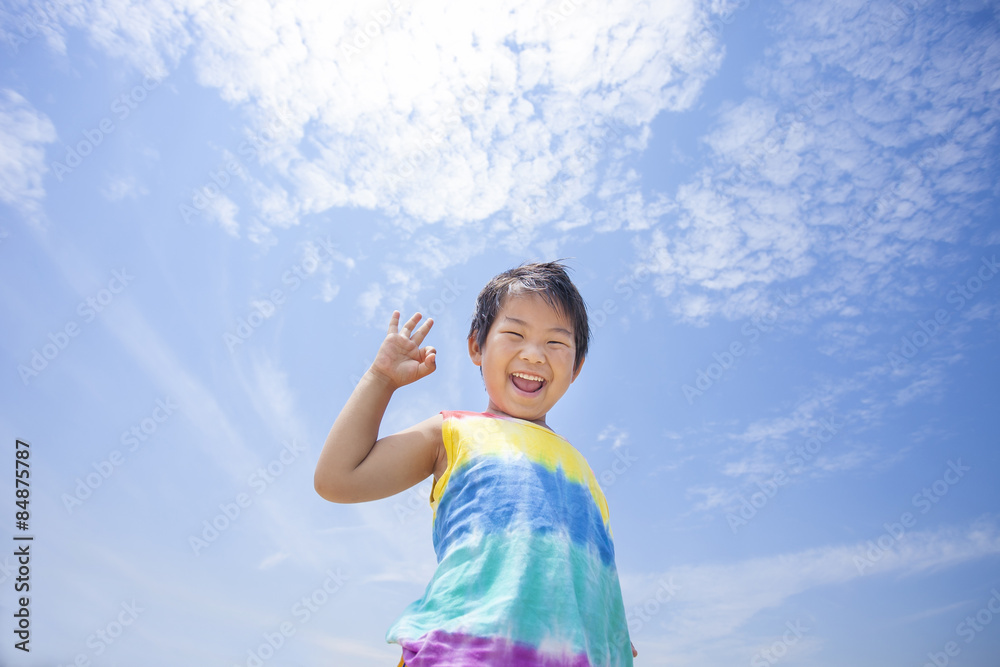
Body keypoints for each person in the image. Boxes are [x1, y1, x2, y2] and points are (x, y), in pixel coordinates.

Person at [314, 261, 636, 666]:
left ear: (577, 367)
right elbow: (337, 478)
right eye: (515, 334)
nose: (534, 354)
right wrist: (381, 378)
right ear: (476, 348)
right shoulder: (452, 432)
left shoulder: (583, 473)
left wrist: (610, 633)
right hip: (460, 653)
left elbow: (593, 571)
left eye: (556, 342)